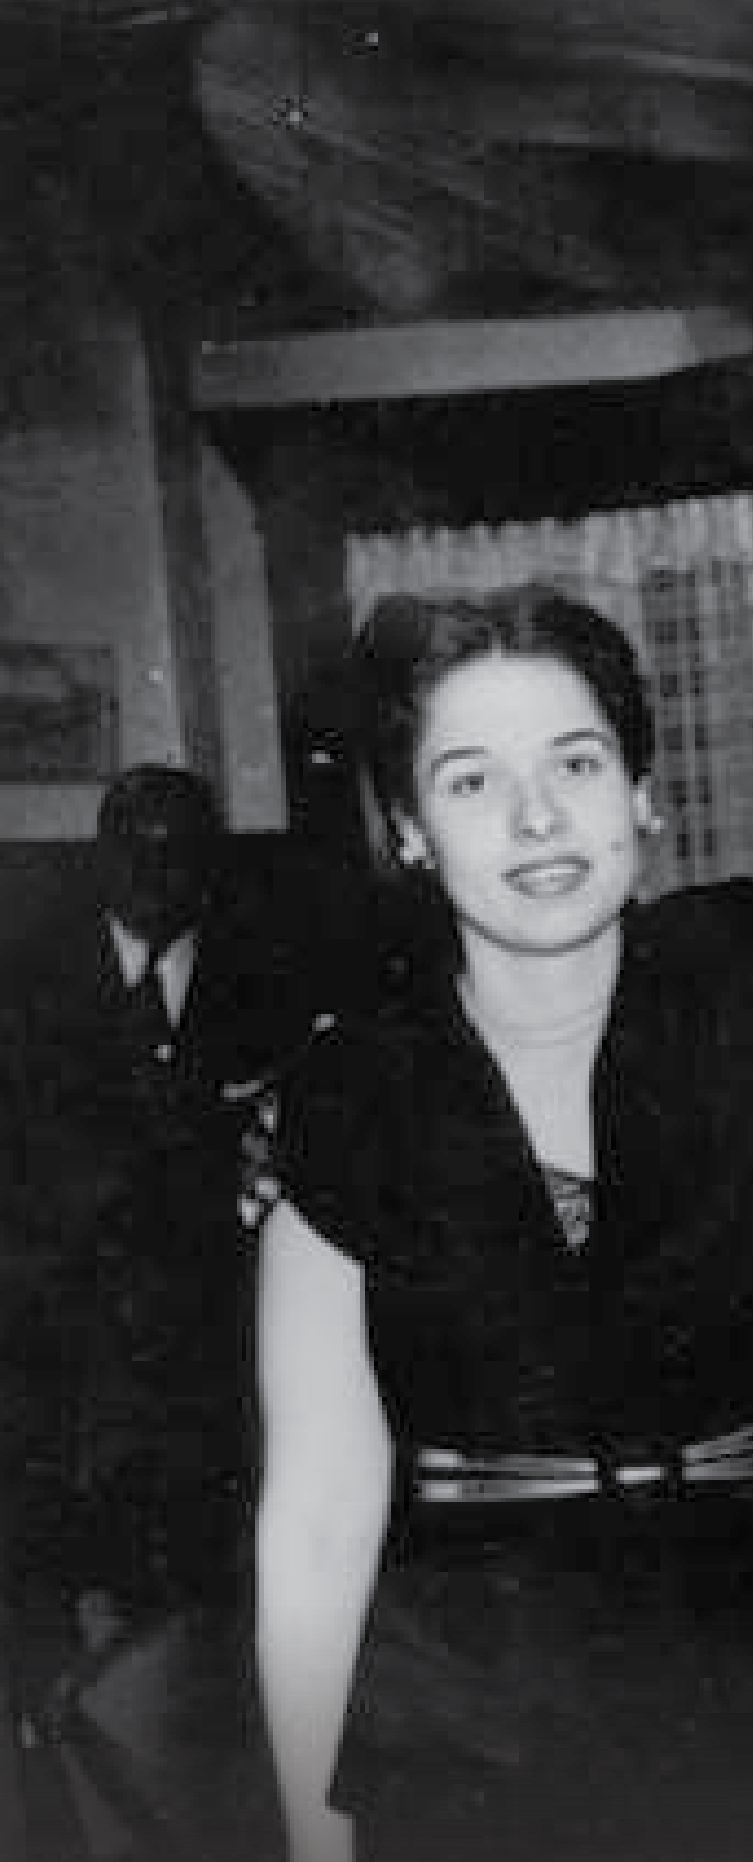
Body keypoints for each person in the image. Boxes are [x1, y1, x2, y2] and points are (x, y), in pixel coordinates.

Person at [250, 587, 753, 1862]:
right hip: (473, 1717)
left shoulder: (736, 965)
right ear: (408, 830)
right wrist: (311, 1829)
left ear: (641, 791)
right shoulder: (354, 1092)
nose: (535, 818)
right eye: (469, 783)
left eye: (576, 763)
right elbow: (315, 1511)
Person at [1, 765, 346, 1859]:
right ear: (102, 853)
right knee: (70, 1668)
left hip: (211, 1368)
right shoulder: (25, 987)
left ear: (210, 860)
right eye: (135, 845)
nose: (157, 870)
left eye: (179, 847)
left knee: (198, 1660)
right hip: (61, 1367)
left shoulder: (270, 982)